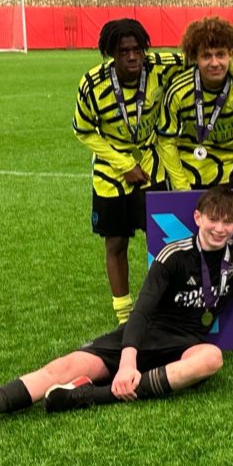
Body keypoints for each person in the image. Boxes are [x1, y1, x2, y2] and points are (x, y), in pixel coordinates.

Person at [0, 187, 233, 431]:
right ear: (198, 217)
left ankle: (88, 397)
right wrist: (128, 361)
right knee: (60, 368)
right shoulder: (173, 255)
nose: (219, 228)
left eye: (228, 222)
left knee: (211, 358)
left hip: (183, 346)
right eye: (213, 219)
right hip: (138, 338)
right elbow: (141, 311)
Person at [74, 19, 183, 323]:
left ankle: (162, 306)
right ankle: (124, 316)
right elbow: (84, 131)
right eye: (124, 52)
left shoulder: (161, 66)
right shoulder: (92, 84)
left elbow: (201, 55)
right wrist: (124, 165)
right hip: (111, 173)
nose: (133, 57)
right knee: (116, 242)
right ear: (111, 53)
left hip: (151, 167)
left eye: (137, 50)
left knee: (162, 239)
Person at [157, 17, 233, 190]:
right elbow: (166, 142)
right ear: (195, 57)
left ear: (231, 55)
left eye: (220, 55)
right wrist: (182, 188)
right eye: (206, 56)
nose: (215, 63)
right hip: (195, 176)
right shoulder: (178, 92)